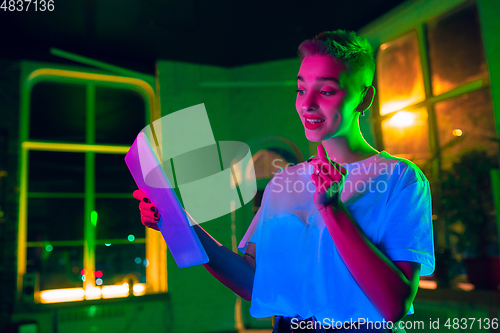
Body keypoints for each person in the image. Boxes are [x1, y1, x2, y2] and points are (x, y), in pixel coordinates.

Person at [133, 30, 435, 333]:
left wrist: (332, 208)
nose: (308, 104)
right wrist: (178, 222)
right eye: (301, 90)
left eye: (327, 91)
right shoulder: (283, 182)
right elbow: (254, 281)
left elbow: (393, 304)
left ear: (365, 97)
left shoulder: (400, 178)